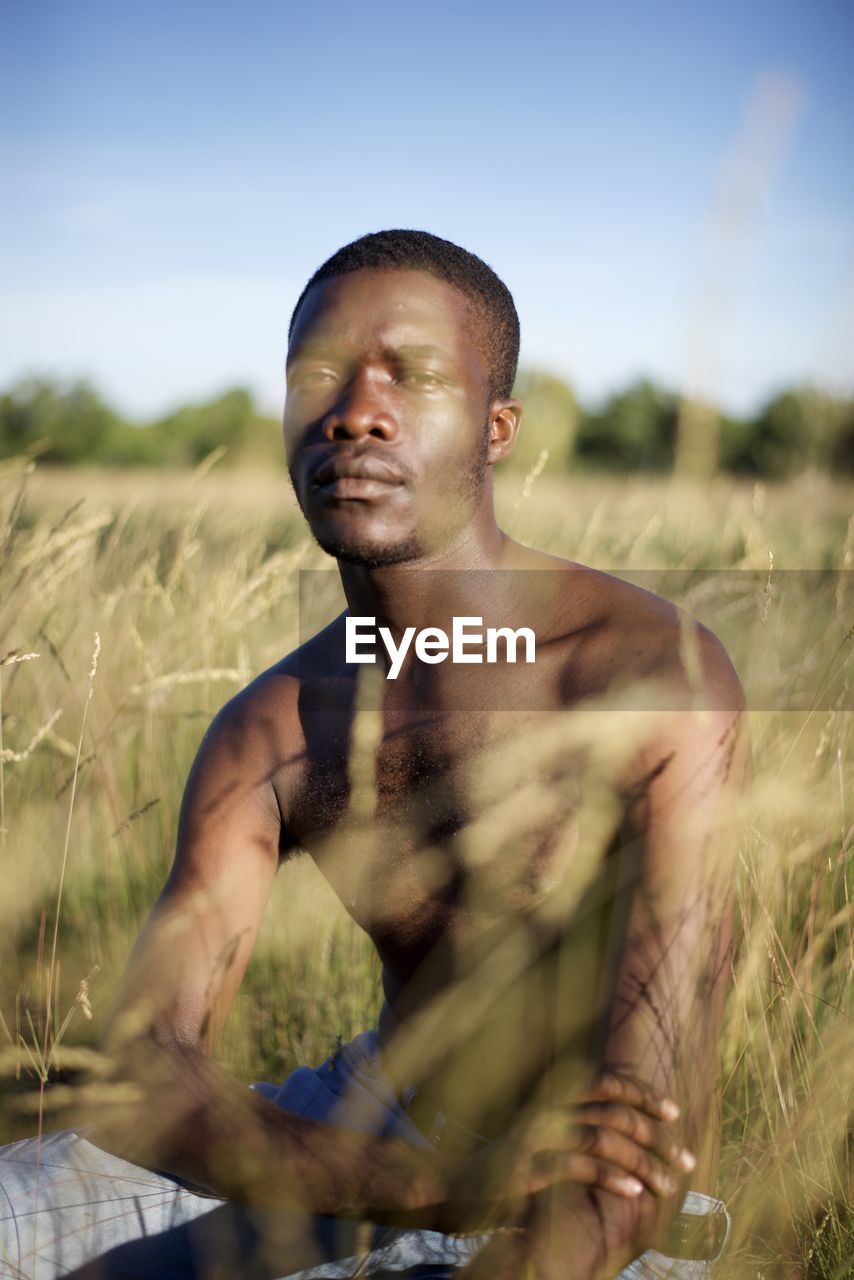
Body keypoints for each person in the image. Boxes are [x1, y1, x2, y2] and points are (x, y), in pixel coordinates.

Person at [0, 230, 745, 1279]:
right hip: (350, 1135)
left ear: (496, 428)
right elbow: (150, 1071)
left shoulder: (645, 676)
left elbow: (634, 1162)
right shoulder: (272, 725)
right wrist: (419, 1181)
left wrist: (492, 1200)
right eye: (317, 374)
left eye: (415, 373)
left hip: (580, 1196)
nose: (353, 407)